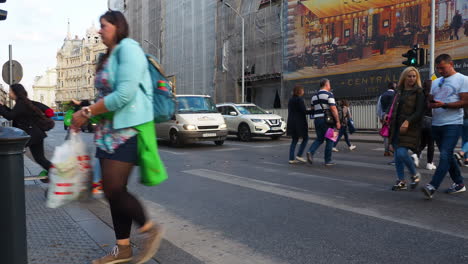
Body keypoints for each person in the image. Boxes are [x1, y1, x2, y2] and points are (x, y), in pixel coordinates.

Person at [71, 11, 163, 264]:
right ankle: (122, 248)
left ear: (118, 26)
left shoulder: (128, 49)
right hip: (106, 132)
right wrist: (85, 111)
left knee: (112, 187)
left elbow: (124, 95)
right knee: (113, 192)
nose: (99, 31)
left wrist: (87, 111)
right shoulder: (107, 56)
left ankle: (149, 228)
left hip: (127, 130)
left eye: (103, 26)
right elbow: (106, 96)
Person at [422, 54, 468, 198]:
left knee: (445, 155)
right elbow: (431, 103)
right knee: (448, 157)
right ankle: (459, 183)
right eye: (438, 68)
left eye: (442, 68)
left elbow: (465, 102)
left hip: (453, 123)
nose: (440, 71)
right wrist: (430, 101)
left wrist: (445, 105)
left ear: (451, 64)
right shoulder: (436, 82)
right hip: (436, 124)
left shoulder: (463, 79)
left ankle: (432, 186)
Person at [0, 83, 52, 181]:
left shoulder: (21, 103)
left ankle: (11, 178)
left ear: (15, 92)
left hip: (30, 135)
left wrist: (1, 107)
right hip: (36, 134)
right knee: (40, 158)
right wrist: (3, 106)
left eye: (10, 91)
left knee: (12, 152)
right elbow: (13, 114)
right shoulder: (22, 102)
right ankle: (56, 172)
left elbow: (10, 116)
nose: (8, 93)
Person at [388, 67, 425, 191]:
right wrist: (386, 116)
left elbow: (419, 111)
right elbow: (393, 108)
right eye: (409, 76)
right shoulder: (399, 91)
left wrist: (408, 121)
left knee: (402, 153)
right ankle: (401, 181)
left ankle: (414, 174)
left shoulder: (419, 92)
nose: (412, 79)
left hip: (410, 127)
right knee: (397, 156)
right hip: (396, 127)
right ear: (404, 77)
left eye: (414, 76)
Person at [306, 78, 341, 166]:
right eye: (329, 84)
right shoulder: (329, 94)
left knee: (320, 139)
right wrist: (337, 121)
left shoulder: (314, 96)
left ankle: (310, 151)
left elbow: (313, 109)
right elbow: (333, 108)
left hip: (317, 120)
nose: (330, 86)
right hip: (327, 121)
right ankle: (328, 160)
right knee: (330, 139)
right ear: (326, 84)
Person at [413, 80, 437, 170]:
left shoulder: (420, 96)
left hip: (421, 122)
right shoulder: (433, 96)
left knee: (422, 142)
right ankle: (429, 163)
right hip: (431, 121)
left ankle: (415, 155)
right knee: (431, 143)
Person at [287, 85, 313, 164]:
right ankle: (299, 155)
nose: (303, 91)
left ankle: (291, 159)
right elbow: (304, 111)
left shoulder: (291, 100)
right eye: (302, 90)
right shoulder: (300, 100)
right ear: (299, 91)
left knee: (294, 140)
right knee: (306, 138)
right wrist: (312, 110)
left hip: (291, 122)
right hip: (299, 123)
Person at [377, 82, 396, 156]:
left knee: (386, 132)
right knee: (394, 133)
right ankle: (393, 149)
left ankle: (386, 150)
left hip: (385, 116)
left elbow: (379, 107)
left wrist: (381, 116)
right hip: (394, 116)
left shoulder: (382, 95)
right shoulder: (396, 95)